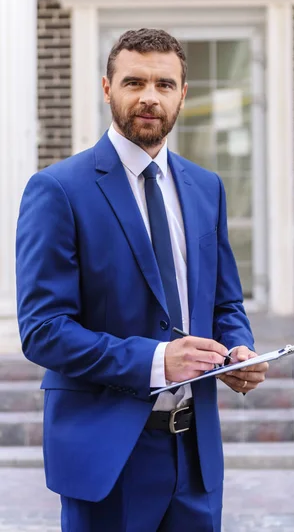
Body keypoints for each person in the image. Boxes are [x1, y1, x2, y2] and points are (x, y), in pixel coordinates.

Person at [16, 28, 268, 532]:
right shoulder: (58, 190)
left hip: (195, 458)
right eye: (134, 82)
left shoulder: (206, 188)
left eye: (164, 84)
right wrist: (158, 360)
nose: (149, 97)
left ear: (182, 94)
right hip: (108, 457)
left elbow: (225, 303)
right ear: (107, 89)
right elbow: (43, 330)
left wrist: (238, 350)